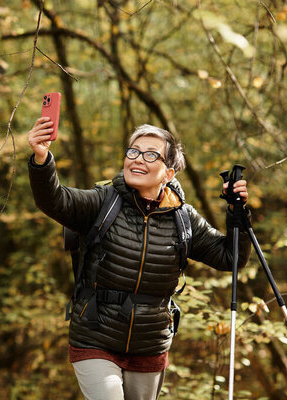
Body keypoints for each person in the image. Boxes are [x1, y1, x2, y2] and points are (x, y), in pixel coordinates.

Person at [27, 116, 252, 400]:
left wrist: (238, 214)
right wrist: (41, 157)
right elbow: (55, 200)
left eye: (150, 155)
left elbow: (229, 258)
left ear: (169, 173)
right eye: (133, 151)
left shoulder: (183, 219)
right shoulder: (103, 202)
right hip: (95, 338)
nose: (138, 159)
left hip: (150, 346)